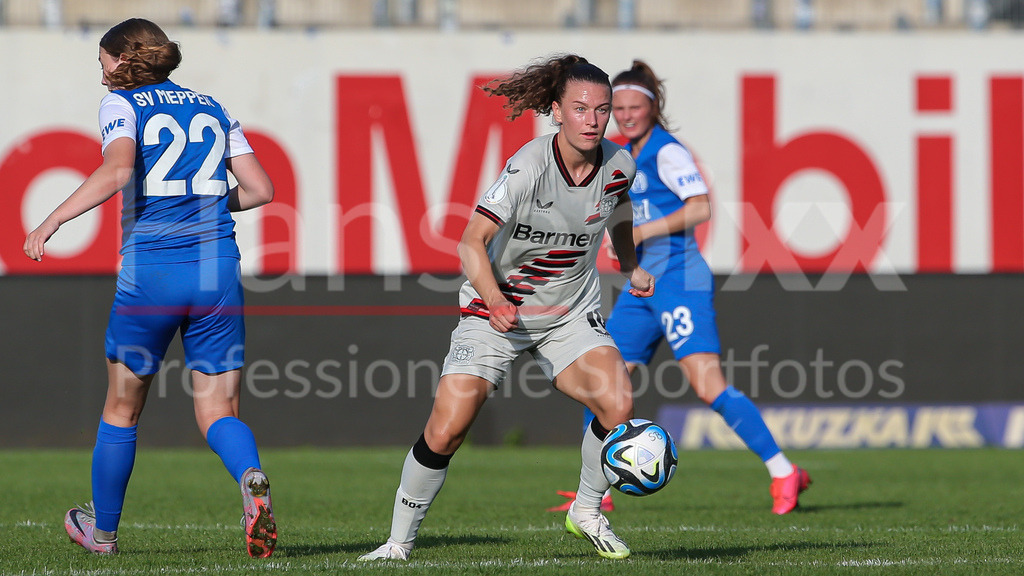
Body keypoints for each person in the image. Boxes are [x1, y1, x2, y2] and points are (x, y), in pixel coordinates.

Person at [357, 54, 654, 562]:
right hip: (495, 311)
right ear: (556, 111)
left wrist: (628, 264)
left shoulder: (618, 166)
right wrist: (495, 300)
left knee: (617, 401)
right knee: (448, 427)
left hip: (567, 312)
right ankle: (397, 543)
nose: (593, 120)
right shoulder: (527, 168)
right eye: (580, 108)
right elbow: (470, 244)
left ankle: (586, 510)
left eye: (602, 110)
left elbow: (618, 211)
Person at [23, 18, 277, 557]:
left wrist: (51, 221)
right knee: (219, 412)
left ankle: (104, 534)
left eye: (103, 65)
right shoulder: (213, 105)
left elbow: (116, 172)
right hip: (217, 273)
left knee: (121, 409)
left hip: (153, 273)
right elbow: (260, 190)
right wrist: (205, 204)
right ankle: (250, 476)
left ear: (123, 60)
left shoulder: (123, 104)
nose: (101, 77)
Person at [549, 60, 810, 516]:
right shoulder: (622, 156)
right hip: (641, 286)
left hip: (679, 279)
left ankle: (784, 471)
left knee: (708, 385)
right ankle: (598, 494)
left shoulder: (667, 151)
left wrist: (645, 231)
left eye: (635, 107)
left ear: (653, 107)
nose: (626, 115)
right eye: (620, 108)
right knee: (603, 383)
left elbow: (701, 207)